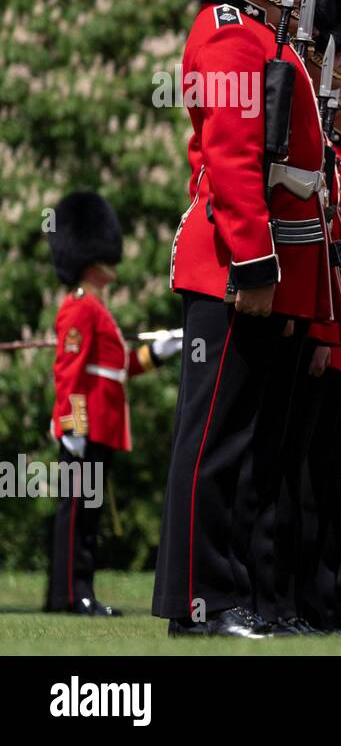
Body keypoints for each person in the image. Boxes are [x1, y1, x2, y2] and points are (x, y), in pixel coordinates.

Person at [153, 0, 331, 638]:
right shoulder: (226, 37)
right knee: (214, 443)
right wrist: (255, 266)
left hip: (250, 269)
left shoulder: (256, 34)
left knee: (245, 441)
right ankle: (201, 597)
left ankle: (234, 593)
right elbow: (231, 162)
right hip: (230, 268)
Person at [45, 192, 181, 616]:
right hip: (85, 427)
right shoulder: (80, 309)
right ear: (90, 257)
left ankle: (76, 591)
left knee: (89, 514)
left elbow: (118, 367)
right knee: (78, 516)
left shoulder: (97, 310)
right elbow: (69, 373)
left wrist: (160, 351)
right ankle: (70, 595)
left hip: (99, 425)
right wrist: (74, 427)